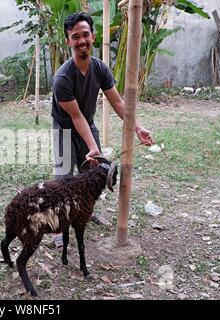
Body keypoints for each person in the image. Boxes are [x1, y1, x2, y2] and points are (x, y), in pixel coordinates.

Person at [51, 13, 155, 248]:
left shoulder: (100, 68)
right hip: (65, 131)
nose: (81, 41)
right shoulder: (62, 79)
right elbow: (75, 117)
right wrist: (94, 147)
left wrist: (137, 127)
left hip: (88, 125)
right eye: (75, 37)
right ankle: (61, 228)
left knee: (91, 176)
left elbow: (118, 103)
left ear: (93, 37)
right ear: (69, 41)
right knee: (64, 180)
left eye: (85, 34)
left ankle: (86, 213)